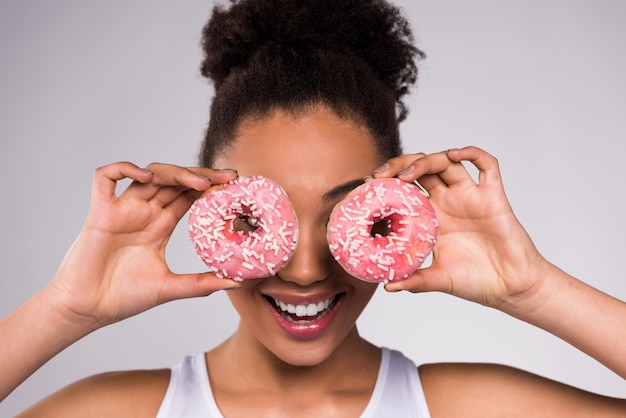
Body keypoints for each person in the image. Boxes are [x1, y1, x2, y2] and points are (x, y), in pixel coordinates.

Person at [1, 0, 625, 416]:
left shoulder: (471, 407)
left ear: (401, 207)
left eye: (351, 215)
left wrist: (531, 288)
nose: (304, 269)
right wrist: (64, 310)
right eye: (255, 219)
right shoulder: (115, 412)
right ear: (204, 209)